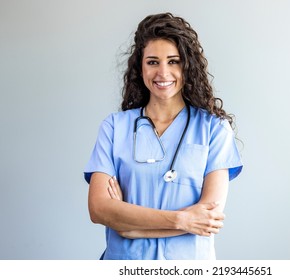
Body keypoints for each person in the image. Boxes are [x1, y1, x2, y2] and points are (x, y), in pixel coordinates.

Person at [84, 12, 243, 260]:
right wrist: (182, 220)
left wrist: (130, 227)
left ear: (187, 65)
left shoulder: (213, 129)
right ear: (140, 67)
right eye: (152, 62)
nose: (163, 72)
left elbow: (207, 219)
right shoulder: (115, 127)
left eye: (173, 61)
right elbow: (98, 209)